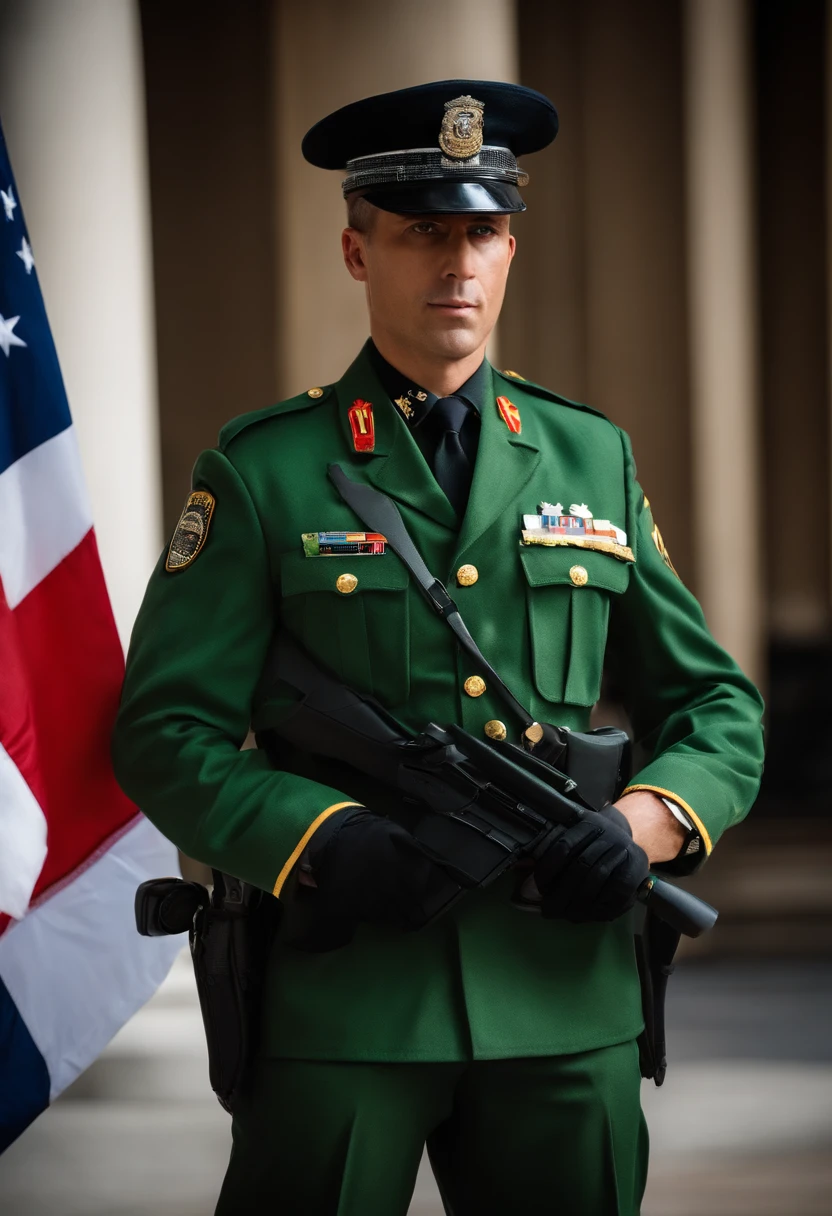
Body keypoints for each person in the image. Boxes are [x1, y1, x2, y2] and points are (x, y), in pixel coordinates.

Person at [112, 80, 765, 1215]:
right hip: (347, 999)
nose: (457, 266)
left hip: (562, 1003)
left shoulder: (586, 456)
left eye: (483, 232)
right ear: (359, 253)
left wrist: (640, 826)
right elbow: (165, 730)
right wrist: (321, 836)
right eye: (423, 234)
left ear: (511, 247)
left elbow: (719, 708)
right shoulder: (263, 471)